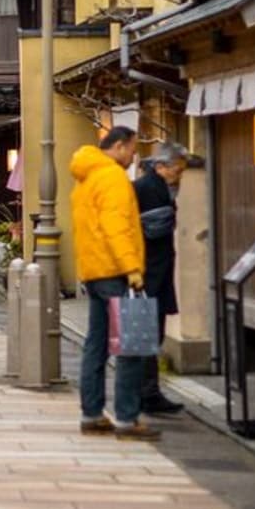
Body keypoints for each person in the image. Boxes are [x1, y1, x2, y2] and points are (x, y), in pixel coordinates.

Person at [69, 126, 159, 441]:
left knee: (95, 345)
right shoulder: (113, 178)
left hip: (93, 271)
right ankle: (126, 418)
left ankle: (91, 413)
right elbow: (116, 227)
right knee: (130, 345)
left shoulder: (86, 177)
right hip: (115, 271)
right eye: (133, 150)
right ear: (119, 146)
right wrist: (132, 268)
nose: (134, 157)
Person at [134, 142, 192, 418]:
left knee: (146, 334)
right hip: (148, 272)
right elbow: (155, 227)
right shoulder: (150, 188)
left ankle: (146, 391)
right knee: (146, 334)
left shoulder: (152, 186)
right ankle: (146, 393)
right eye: (176, 171)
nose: (178, 176)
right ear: (161, 166)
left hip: (151, 271)